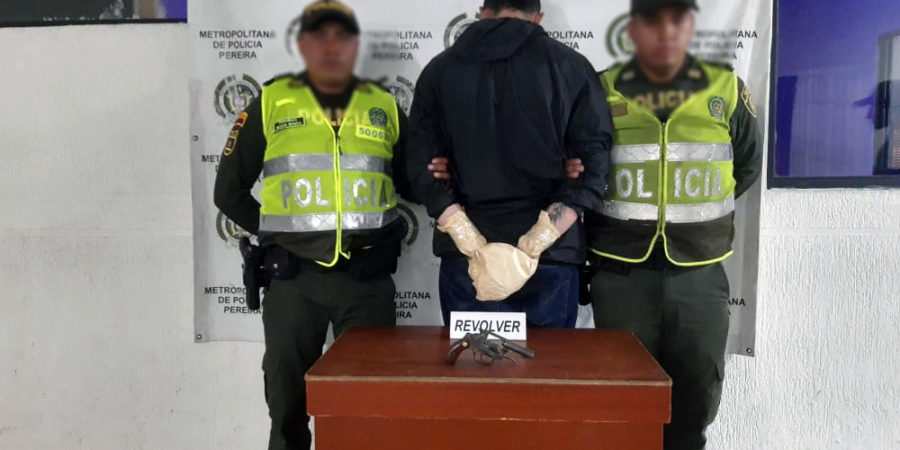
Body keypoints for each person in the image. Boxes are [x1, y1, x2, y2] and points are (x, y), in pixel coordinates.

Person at [213, 1, 413, 449]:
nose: (331, 47)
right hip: (294, 282)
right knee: (287, 407)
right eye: (319, 37)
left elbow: (413, 183)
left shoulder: (384, 105)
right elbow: (228, 191)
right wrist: (277, 233)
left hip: (366, 283)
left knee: (371, 412)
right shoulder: (270, 103)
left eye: (341, 37)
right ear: (302, 45)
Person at [585, 1, 763, 448]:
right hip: (622, 272)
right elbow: (580, 167)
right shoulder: (602, 89)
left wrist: (697, 220)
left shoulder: (726, 88)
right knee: (623, 403)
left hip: (699, 272)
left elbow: (746, 165)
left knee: (695, 398)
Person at [407, 0, 613, 328]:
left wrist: (472, 243)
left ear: (483, 12)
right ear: (538, 17)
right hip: (550, 257)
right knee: (549, 363)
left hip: (467, 262)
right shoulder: (571, 66)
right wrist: (534, 244)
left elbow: (423, 167)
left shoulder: (439, 71)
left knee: (474, 361)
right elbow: (591, 167)